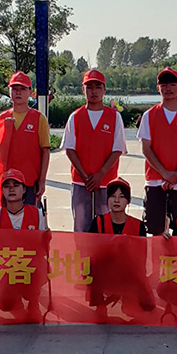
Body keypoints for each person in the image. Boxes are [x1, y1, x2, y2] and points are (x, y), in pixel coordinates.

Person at [62, 69, 126, 232]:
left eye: (98, 87)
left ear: (104, 89)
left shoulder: (114, 117)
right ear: (83, 90)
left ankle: (105, 250)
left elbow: (117, 149)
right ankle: (82, 250)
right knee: (81, 225)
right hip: (80, 181)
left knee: (106, 225)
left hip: (107, 182)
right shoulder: (75, 117)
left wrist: (101, 174)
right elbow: (70, 149)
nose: (94, 91)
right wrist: (85, 176)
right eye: (89, 87)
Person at [137, 67, 177, 235]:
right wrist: (164, 173)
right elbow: (146, 148)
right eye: (163, 85)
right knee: (155, 228)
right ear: (158, 88)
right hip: (155, 180)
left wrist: (176, 175)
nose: (168, 88)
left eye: (172, 84)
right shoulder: (149, 115)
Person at [0, 72, 50, 206]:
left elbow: (45, 151)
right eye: (14, 89)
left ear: (30, 92)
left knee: (30, 217)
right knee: (6, 218)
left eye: (22, 89)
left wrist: (42, 181)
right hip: (6, 182)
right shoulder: (1, 119)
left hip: (30, 182)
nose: (18, 92)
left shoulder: (39, 118)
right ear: (10, 92)